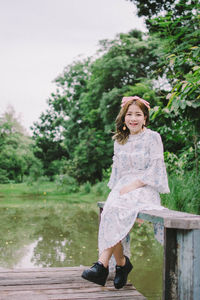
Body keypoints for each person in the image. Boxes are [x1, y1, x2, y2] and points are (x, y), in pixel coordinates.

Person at [81, 96, 170, 289]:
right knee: (110, 211)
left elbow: (156, 168)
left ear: (145, 118)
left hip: (144, 187)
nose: (133, 118)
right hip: (123, 187)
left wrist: (134, 186)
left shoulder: (153, 137)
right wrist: (119, 191)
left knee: (118, 207)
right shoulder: (120, 140)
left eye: (138, 114)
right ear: (124, 118)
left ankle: (102, 265)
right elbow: (118, 172)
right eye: (129, 114)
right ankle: (121, 264)